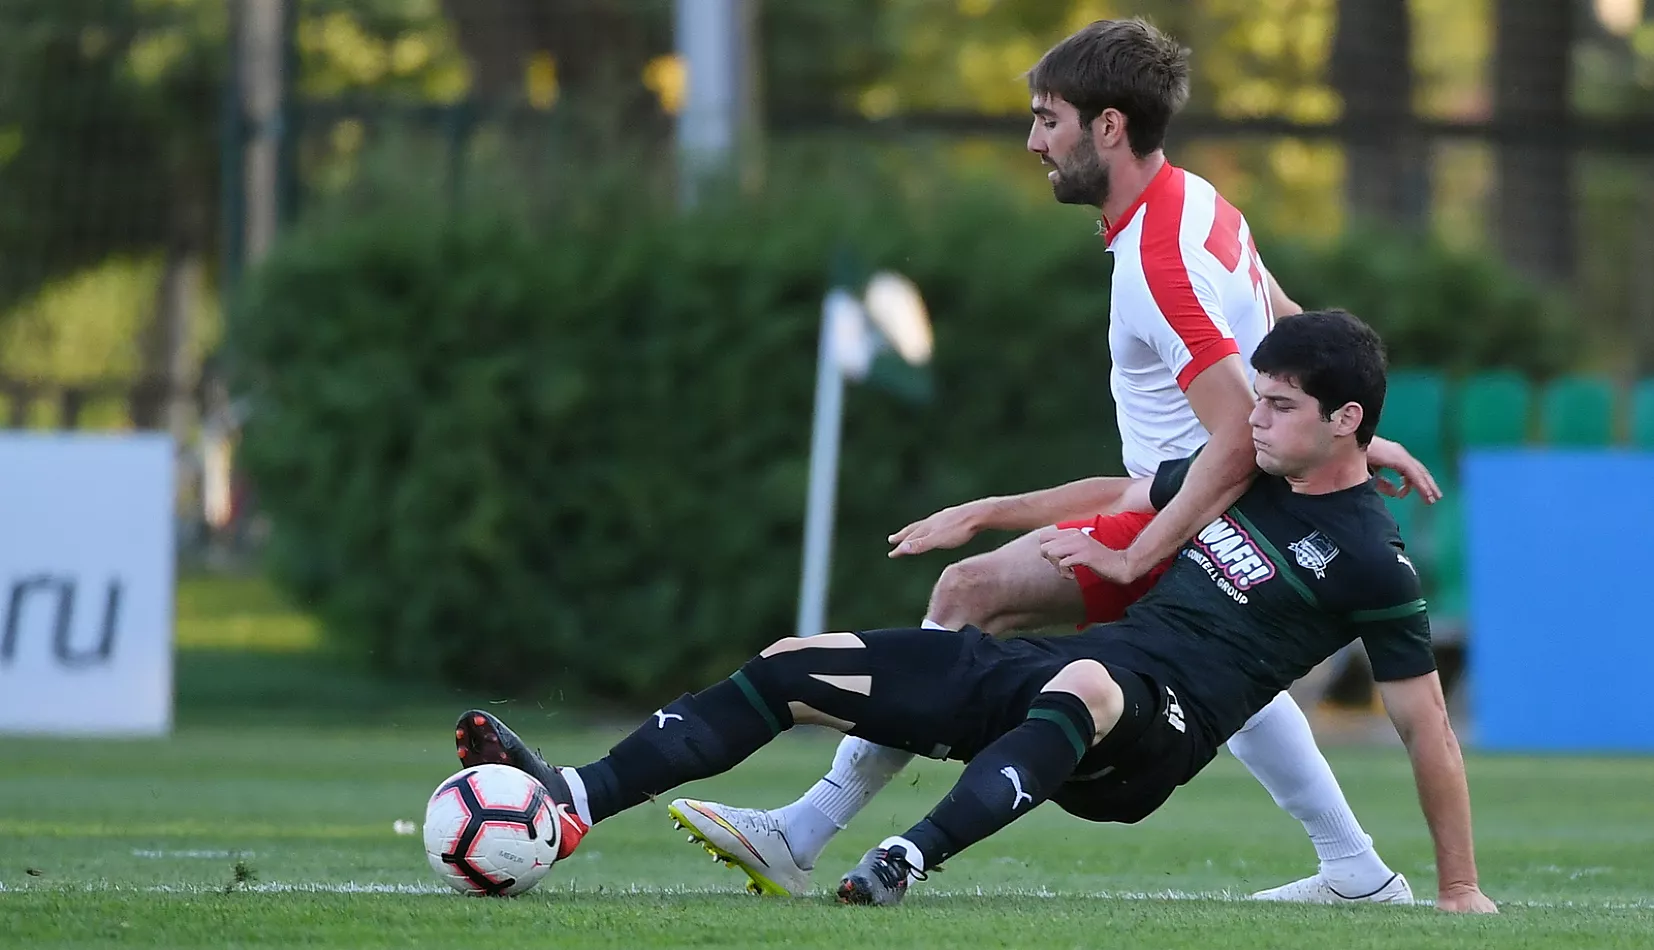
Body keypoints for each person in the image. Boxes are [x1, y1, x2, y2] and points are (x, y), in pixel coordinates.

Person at [671, 17, 1440, 904]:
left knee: (970, 592)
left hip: (1187, 512)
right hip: (1188, 506)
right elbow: (1291, 332)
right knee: (1234, 685)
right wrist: (1353, 435)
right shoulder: (1199, 201)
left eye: (1047, 119)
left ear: (1108, 126)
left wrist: (1144, 552)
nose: (1034, 141)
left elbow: (1237, 432)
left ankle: (805, 829)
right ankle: (1355, 868)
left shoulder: (1159, 259)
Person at [452, 310, 1497, 913]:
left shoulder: (1373, 559)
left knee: (1085, 680)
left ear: (1343, 419)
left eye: (1276, 405)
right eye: (1255, 398)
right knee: (792, 662)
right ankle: (572, 801)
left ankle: (906, 856)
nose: (1251, 420)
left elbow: (1426, 726)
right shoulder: (1247, 468)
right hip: (1081, 676)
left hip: (1155, 732)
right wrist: (986, 511)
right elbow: (1119, 492)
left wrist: (1458, 890)